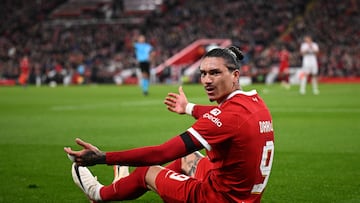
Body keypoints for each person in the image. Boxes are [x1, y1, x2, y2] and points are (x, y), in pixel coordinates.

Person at [64, 46, 275, 202]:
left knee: (146, 171)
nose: (207, 81)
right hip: (243, 195)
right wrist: (189, 107)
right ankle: (128, 187)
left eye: (215, 73)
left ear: (235, 75)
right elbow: (221, 115)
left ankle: (98, 194)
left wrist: (103, 158)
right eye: (203, 73)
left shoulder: (225, 118)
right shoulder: (254, 103)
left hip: (216, 198)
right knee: (188, 158)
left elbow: (161, 153)